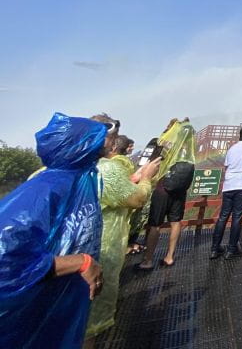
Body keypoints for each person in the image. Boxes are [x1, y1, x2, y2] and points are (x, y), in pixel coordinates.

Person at [0, 113, 109, 349]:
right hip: (31, 314)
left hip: (63, 306)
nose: (105, 142)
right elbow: (4, 257)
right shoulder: (44, 190)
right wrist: (80, 262)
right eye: (99, 138)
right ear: (80, 146)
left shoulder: (82, 180)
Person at [86, 126, 160, 343]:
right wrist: (146, 178)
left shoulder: (48, 172)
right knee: (90, 325)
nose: (112, 143)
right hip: (100, 250)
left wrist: (135, 177)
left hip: (70, 257)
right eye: (110, 138)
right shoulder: (107, 170)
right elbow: (136, 199)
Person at [138, 119, 196, 270]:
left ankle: (148, 260)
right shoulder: (189, 148)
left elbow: (153, 161)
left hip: (163, 187)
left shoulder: (167, 143)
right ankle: (169, 256)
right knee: (176, 221)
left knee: (155, 224)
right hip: (180, 189)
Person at [210, 126, 242, 260]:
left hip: (229, 185)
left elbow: (226, 167)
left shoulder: (232, 148)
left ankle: (215, 249)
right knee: (237, 217)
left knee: (223, 216)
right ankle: (231, 249)